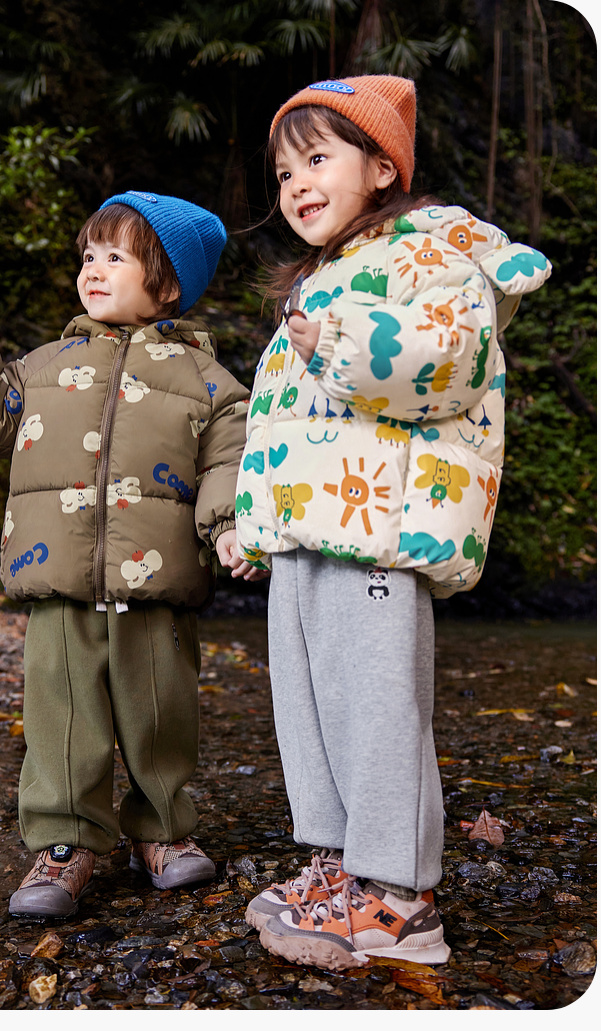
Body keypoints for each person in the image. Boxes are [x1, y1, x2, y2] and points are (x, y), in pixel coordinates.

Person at [233, 75, 551, 970]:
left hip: (381, 522)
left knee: (376, 704)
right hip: (307, 527)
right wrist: (254, 522)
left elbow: (453, 360)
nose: (296, 183)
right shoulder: (314, 280)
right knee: (308, 703)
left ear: (381, 168)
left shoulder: (429, 253)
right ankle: (339, 865)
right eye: (284, 171)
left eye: (317, 158)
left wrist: (338, 341)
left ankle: (402, 899)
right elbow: (278, 423)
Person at [0, 190, 262, 918]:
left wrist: (229, 526)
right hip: (57, 575)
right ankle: (63, 841)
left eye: (116, 256)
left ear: (168, 285)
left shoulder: (209, 383)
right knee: (61, 714)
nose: (93, 268)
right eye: (88, 255)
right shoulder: (42, 366)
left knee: (160, 713)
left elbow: (230, 461)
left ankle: (163, 829)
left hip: (158, 579)